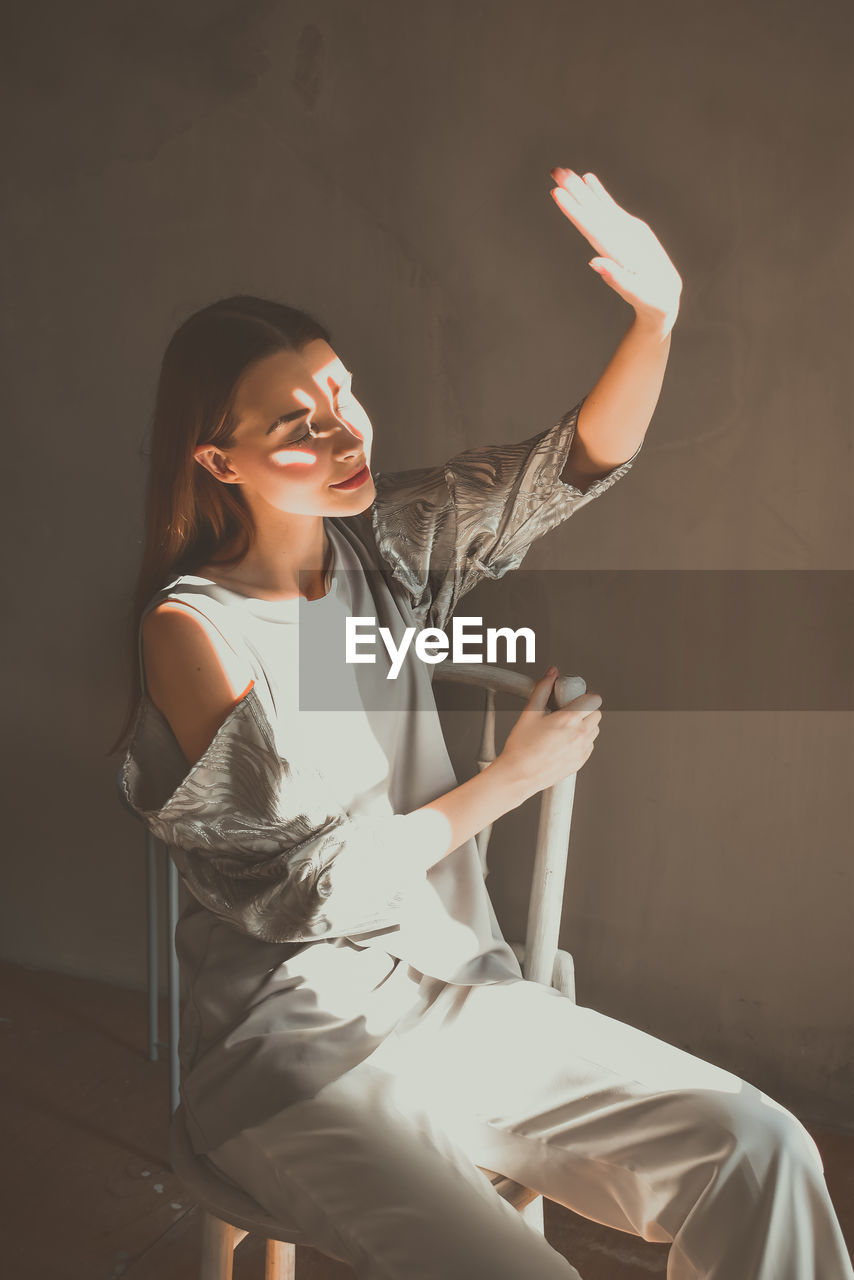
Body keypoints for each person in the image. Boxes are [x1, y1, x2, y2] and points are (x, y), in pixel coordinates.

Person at [114, 171, 853, 1279]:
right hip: (295, 1050)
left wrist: (656, 320)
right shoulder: (191, 628)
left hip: (458, 994)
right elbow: (306, 886)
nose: (343, 430)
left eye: (342, 392)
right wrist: (507, 780)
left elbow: (561, 471)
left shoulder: (383, 554)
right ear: (218, 460)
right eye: (295, 422)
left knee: (757, 1148)